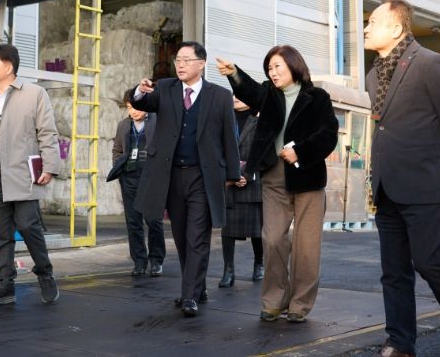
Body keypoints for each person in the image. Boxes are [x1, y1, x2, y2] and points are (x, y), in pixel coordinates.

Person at [363, 0, 440, 357]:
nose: (366, 28)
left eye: (372, 22)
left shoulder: (430, 63)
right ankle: (400, 342)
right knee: (394, 271)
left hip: (427, 183)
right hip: (387, 186)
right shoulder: (373, 73)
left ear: (396, 28)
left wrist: (439, 160)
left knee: (430, 262)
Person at [217, 46, 338, 324]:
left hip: (308, 177)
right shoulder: (269, 94)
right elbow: (250, 91)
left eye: (277, 66)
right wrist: (234, 74)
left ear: (294, 66)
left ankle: (299, 304)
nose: (272, 73)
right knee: (272, 240)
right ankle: (274, 301)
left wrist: (301, 152)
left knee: (307, 247)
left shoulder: (317, 97)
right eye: (269, 68)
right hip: (273, 176)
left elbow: (329, 134)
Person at [130, 41, 240, 317]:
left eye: (186, 60)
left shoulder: (220, 96)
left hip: (203, 176)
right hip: (171, 176)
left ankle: (189, 295)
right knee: (180, 236)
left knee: (197, 237)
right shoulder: (165, 88)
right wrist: (140, 91)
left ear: (201, 64)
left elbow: (229, 137)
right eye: (177, 60)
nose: (180, 64)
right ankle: (197, 287)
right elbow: (142, 102)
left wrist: (233, 175)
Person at [0, 43, 62, 307]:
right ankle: (4, 286)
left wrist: (50, 166)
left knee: (28, 225)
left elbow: (47, 132)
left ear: (8, 67)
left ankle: (45, 273)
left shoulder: (34, 94)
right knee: (0, 234)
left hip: (23, 175)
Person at [111, 89, 165, 277]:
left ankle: (156, 261)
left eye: (136, 106)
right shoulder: (123, 125)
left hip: (151, 177)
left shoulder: (157, 121)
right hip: (129, 177)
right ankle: (139, 261)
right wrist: (118, 168)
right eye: (129, 107)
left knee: (153, 220)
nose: (133, 111)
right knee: (133, 221)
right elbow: (117, 149)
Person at [218, 95, 264, 288]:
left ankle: (259, 263)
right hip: (229, 181)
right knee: (227, 230)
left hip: (253, 180)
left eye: (240, 94)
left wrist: (247, 174)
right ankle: (228, 270)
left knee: (257, 230)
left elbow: (264, 152)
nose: (235, 97)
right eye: (233, 94)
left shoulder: (260, 120)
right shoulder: (224, 118)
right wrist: (229, 174)